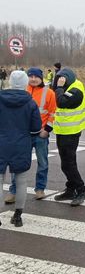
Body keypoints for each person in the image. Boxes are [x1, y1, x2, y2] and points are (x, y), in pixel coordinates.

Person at [5, 68, 56, 204]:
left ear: (41, 78)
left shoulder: (49, 92)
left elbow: (52, 113)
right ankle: (13, 191)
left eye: (36, 76)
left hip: (40, 134)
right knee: (17, 164)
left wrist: (47, 130)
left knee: (42, 163)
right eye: (30, 76)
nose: (33, 79)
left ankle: (40, 189)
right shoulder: (22, 90)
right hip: (24, 135)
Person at [0, 70, 42, 227]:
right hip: (21, 144)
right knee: (21, 181)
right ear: (25, 83)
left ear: (9, 82)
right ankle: (18, 216)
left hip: (1, 142)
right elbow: (36, 128)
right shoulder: (30, 103)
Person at [52, 68, 85, 206]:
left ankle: (81, 190)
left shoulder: (76, 90)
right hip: (62, 131)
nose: (59, 81)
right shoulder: (68, 87)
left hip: (71, 132)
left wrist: (59, 87)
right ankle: (70, 189)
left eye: (61, 79)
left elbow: (61, 102)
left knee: (69, 164)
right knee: (65, 164)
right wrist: (56, 86)